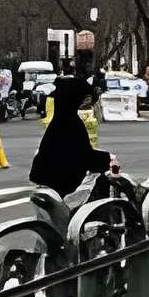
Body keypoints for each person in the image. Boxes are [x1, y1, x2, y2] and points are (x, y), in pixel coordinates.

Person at [28, 55, 110, 196]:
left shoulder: (59, 122)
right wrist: (107, 158)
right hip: (63, 185)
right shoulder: (71, 124)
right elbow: (83, 156)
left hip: (47, 179)